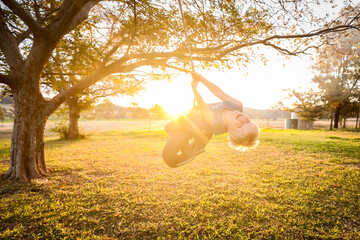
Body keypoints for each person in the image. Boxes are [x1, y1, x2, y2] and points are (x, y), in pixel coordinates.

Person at [162, 71, 260, 168]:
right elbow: (218, 91)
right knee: (179, 129)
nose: (243, 120)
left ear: (230, 129)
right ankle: (198, 146)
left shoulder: (215, 120)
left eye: (240, 126)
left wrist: (194, 89)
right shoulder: (237, 105)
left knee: (169, 127)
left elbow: (203, 106)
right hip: (203, 124)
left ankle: (189, 151)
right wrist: (201, 78)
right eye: (248, 121)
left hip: (199, 123)